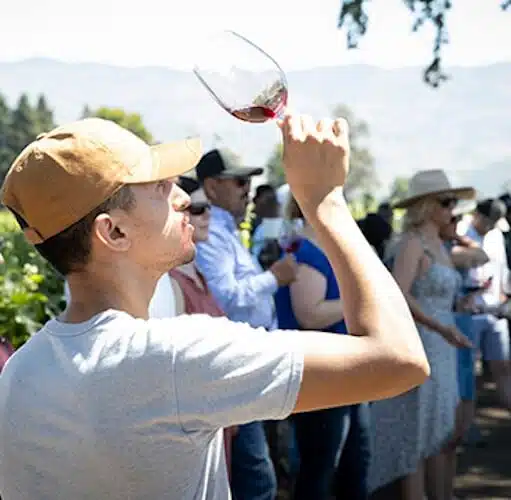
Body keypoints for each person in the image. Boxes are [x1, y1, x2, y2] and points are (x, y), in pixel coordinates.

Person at [0, 115, 429, 500]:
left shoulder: (19, 374)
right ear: (113, 232)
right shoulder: (175, 357)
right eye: (159, 188)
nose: (184, 198)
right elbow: (400, 360)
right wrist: (326, 202)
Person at [194, 149, 297, 500]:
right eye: (239, 181)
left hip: (248, 361)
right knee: (257, 481)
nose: (248, 190)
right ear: (211, 186)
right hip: (235, 365)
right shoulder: (211, 234)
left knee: (253, 477)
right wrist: (274, 278)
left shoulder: (225, 231)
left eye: (249, 182)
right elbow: (225, 298)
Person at [369, 169, 474, 500]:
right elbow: (398, 294)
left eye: (453, 203)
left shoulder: (440, 245)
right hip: (423, 343)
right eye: (446, 203)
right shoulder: (412, 243)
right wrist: (441, 327)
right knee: (416, 437)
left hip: (445, 345)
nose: (451, 210)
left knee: (442, 434)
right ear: (428, 207)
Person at [275, 195, 370, 500]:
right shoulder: (306, 251)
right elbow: (309, 314)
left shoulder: (322, 250)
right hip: (322, 372)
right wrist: (357, 303)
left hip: (343, 370)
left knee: (351, 463)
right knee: (322, 466)